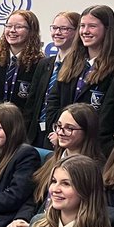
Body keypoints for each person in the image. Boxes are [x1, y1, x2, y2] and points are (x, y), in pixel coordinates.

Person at [51, 4, 114, 136]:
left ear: (107, 29)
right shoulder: (70, 62)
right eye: (82, 26)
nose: (85, 31)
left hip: (91, 144)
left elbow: (109, 116)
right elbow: (53, 101)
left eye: (92, 26)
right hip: (61, 138)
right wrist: (60, 131)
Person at [27, 11, 80, 145]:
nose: (57, 33)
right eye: (55, 28)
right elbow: (32, 102)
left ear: (77, 32)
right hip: (36, 134)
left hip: (62, 136)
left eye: (64, 29)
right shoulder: (44, 63)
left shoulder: (79, 68)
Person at [0, 10, 42, 122]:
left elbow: (34, 103)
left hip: (22, 125)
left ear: (31, 31)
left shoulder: (39, 63)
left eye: (19, 27)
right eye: (9, 26)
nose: (12, 30)